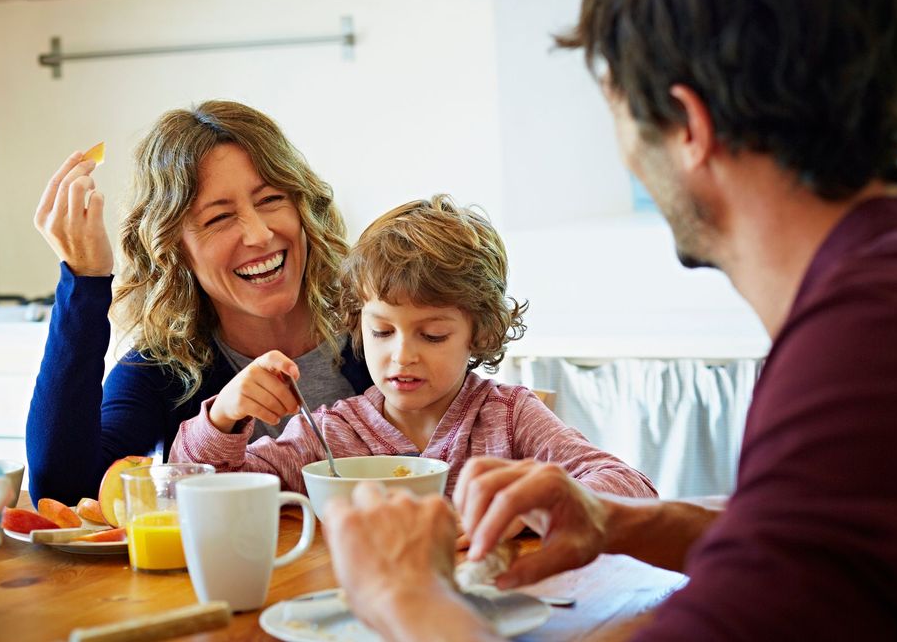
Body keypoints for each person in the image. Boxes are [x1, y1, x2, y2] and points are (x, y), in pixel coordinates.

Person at [320, 0, 897, 640]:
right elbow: (805, 542)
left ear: (687, 126)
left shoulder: (881, 355)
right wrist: (623, 520)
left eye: (616, 111)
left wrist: (406, 600)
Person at [170, 195, 656, 508]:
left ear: (479, 332)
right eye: (382, 333)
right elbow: (198, 492)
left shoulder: (509, 418)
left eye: (433, 335)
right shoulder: (334, 433)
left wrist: (537, 504)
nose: (402, 356)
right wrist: (225, 419)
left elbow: (631, 488)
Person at [27, 101, 372, 504]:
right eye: (219, 218)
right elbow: (65, 493)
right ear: (175, 250)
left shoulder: (381, 333)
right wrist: (84, 282)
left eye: (270, 200)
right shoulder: (165, 369)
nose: (259, 234)